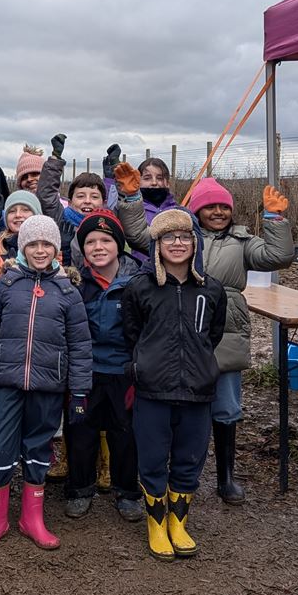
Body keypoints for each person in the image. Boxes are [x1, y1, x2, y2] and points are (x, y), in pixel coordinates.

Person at [114, 167, 294, 504]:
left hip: (222, 331)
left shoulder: (243, 243)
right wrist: (130, 199)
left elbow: (278, 256)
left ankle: (226, 476)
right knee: (176, 407)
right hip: (175, 328)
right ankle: (167, 477)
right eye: (210, 207)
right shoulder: (180, 238)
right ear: (196, 211)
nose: (218, 212)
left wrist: (275, 219)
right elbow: (139, 233)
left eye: (224, 207)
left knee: (225, 407)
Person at [0, 214, 92, 552]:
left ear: (56, 248)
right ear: (22, 247)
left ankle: (32, 518)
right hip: (7, 383)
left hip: (48, 386)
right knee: (0, 447)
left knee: (38, 449)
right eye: (32, 243)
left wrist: (79, 391)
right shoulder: (7, 285)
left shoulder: (67, 291)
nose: (39, 250)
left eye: (46, 243)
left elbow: (79, 344)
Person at [121, 208, 226, 561]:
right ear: (157, 244)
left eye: (184, 236)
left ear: (195, 243)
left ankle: (178, 523)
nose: (177, 243)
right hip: (153, 389)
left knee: (189, 458)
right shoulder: (140, 288)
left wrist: (199, 365)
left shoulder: (210, 289)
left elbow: (214, 333)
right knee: (152, 459)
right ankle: (156, 523)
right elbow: (132, 333)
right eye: (169, 237)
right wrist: (144, 365)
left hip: (198, 389)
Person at [64, 211, 144, 522]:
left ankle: (127, 492)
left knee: (125, 433)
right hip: (85, 372)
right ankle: (80, 488)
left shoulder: (137, 283)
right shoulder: (74, 285)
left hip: (124, 373)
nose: (98, 247)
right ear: (82, 250)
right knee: (81, 431)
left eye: (106, 240)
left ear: (119, 245)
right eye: (91, 242)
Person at [37, 133, 106, 266]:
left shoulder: (106, 225)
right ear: (69, 202)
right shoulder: (61, 220)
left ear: (103, 203)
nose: (87, 201)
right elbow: (46, 196)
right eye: (80, 196)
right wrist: (55, 159)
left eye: (94, 196)